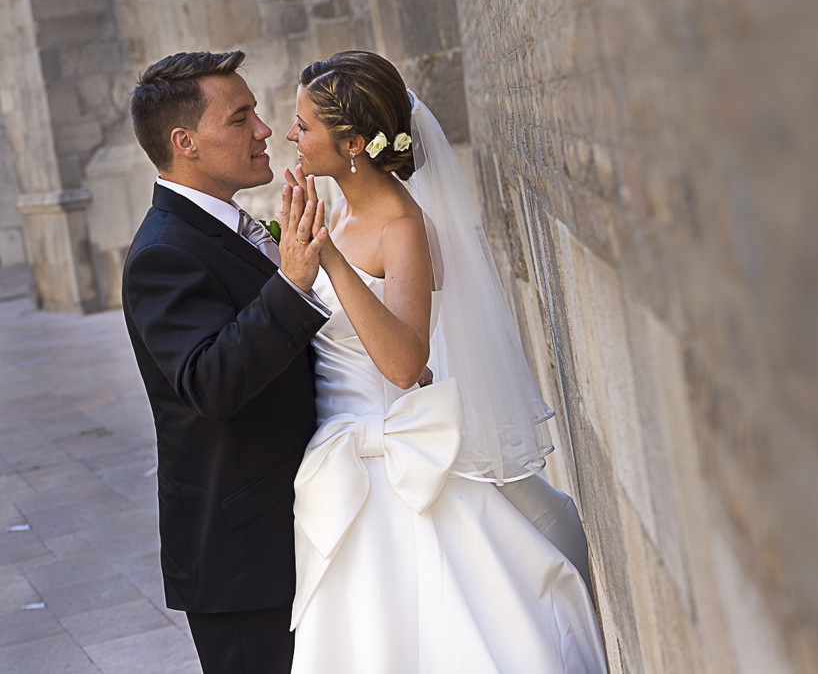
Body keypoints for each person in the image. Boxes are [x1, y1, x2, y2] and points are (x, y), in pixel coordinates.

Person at [284, 50, 607, 672]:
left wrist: (326, 261)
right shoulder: (339, 215)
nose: (292, 136)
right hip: (337, 457)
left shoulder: (402, 225)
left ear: (351, 142)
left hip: (394, 461)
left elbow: (406, 363)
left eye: (304, 126)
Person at [122, 50, 331, 673]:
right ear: (184, 142)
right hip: (242, 558)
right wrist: (291, 285)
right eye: (240, 117)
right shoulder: (163, 252)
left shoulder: (226, 224)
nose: (264, 129)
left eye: (257, 113)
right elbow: (209, 383)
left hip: (295, 524)